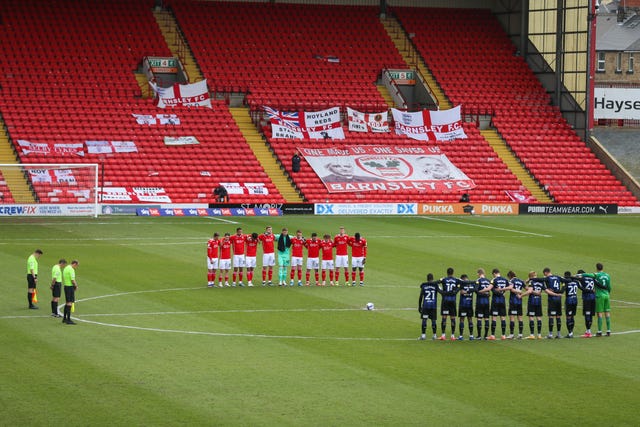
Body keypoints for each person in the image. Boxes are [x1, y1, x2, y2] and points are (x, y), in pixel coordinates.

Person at [531, 268, 566, 339]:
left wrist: (531, 279)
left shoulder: (548, 278)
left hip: (552, 299)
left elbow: (539, 280)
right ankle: (559, 334)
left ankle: (550, 334)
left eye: (544, 274)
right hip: (558, 298)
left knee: (551, 316)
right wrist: (561, 290)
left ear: (546, 272)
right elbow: (566, 281)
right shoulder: (558, 277)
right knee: (558, 316)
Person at [438, 267, 471, 341]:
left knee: (444, 317)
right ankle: (452, 336)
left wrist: (441, 291)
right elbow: (465, 282)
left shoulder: (444, 279)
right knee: (452, 318)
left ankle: (443, 335)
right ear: (453, 273)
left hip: (445, 301)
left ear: (447, 273)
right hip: (452, 301)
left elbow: (436, 282)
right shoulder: (456, 280)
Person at [583, 263, 612, 337]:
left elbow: (588, 275)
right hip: (607, 295)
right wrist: (607, 293)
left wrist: (579, 275)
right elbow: (609, 287)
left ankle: (599, 331)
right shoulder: (607, 275)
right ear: (602, 268)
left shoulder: (597, 275)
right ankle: (608, 330)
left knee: (599, 313)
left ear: (596, 268)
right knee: (607, 312)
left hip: (600, 296)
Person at [488, 268, 511, 340]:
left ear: (494, 273)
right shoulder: (505, 280)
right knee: (502, 318)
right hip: (502, 301)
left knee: (494, 318)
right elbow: (510, 287)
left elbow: (492, 290)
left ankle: (492, 335)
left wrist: (497, 291)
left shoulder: (494, 280)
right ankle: (503, 335)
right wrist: (503, 292)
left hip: (495, 301)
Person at [418, 273, 442, 340]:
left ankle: (423, 335)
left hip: (425, 306)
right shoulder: (435, 285)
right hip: (433, 306)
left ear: (427, 278)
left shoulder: (424, 286)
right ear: (432, 278)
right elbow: (441, 292)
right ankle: (434, 335)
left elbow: (420, 297)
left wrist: (419, 306)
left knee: (424, 320)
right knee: (433, 320)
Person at [574, 269, 596, 338]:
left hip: (587, 298)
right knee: (591, 315)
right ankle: (588, 331)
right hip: (593, 298)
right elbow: (599, 284)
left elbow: (574, 278)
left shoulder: (582, 279)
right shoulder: (592, 278)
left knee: (587, 314)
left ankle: (588, 332)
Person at [523, 271, 545, 339]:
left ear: (530, 277)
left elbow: (524, 285)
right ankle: (539, 335)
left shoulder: (531, 282)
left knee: (531, 317)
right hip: (538, 301)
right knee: (538, 317)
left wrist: (521, 295)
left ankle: (532, 334)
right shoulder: (541, 282)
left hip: (532, 301)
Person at [507, 270, 525, 339]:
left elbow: (511, 289)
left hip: (513, 302)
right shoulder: (521, 281)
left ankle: (511, 334)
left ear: (510, 276)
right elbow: (527, 289)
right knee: (520, 318)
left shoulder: (511, 281)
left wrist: (517, 292)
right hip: (519, 302)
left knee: (512, 317)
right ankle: (520, 334)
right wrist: (521, 294)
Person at [475, 268, 492, 340]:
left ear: (479, 273)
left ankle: (479, 336)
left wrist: (481, 293)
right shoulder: (488, 281)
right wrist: (486, 295)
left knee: (479, 318)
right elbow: (489, 292)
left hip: (480, 302)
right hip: (487, 302)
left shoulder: (478, 280)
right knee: (486, 318)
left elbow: (476, 291)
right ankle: (485, 336)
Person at [562, 271, 580, 338]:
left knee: (568, 316)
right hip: (575, 299)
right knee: (572, 316)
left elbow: (562, 291)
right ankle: (571, 331)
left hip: (569, 300)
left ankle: (570, 333)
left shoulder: (566, 282)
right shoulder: (576, 282)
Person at [457, 274, 476, 340]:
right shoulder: (472, 284)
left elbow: (462, 292)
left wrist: (465, 291)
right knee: (470, 319)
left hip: (463, 305)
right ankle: (471, 336)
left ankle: (461, 336)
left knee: (462, 319)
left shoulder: (462, 284)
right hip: (470, 304)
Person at [61, 260, 79, 325]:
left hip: (66, 286)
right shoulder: (71, 270)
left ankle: (64, 319)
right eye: (77, 265)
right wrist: (76, 286)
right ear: (74, 264)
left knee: (67, 303)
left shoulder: (66, 268)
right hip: (70, 287)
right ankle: (68, 319)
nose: (76, 267)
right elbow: (72, 280)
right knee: (69, 303)